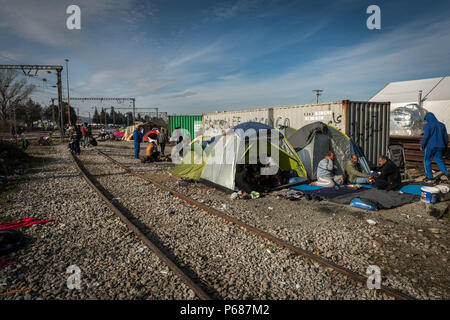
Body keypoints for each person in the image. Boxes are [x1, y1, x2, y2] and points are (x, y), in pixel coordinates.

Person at [420, 112, 450, 183]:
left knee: (427, 161)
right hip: (440, 146)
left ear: (428, 118)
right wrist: (445, 145)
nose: (426, 121)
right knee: (439, 160)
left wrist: (422, 145)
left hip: (430, 146)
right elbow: (445, 137)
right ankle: (446, 172)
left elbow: (426, 136)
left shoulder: (428, 125)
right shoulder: (442, 125)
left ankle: (429, 177)